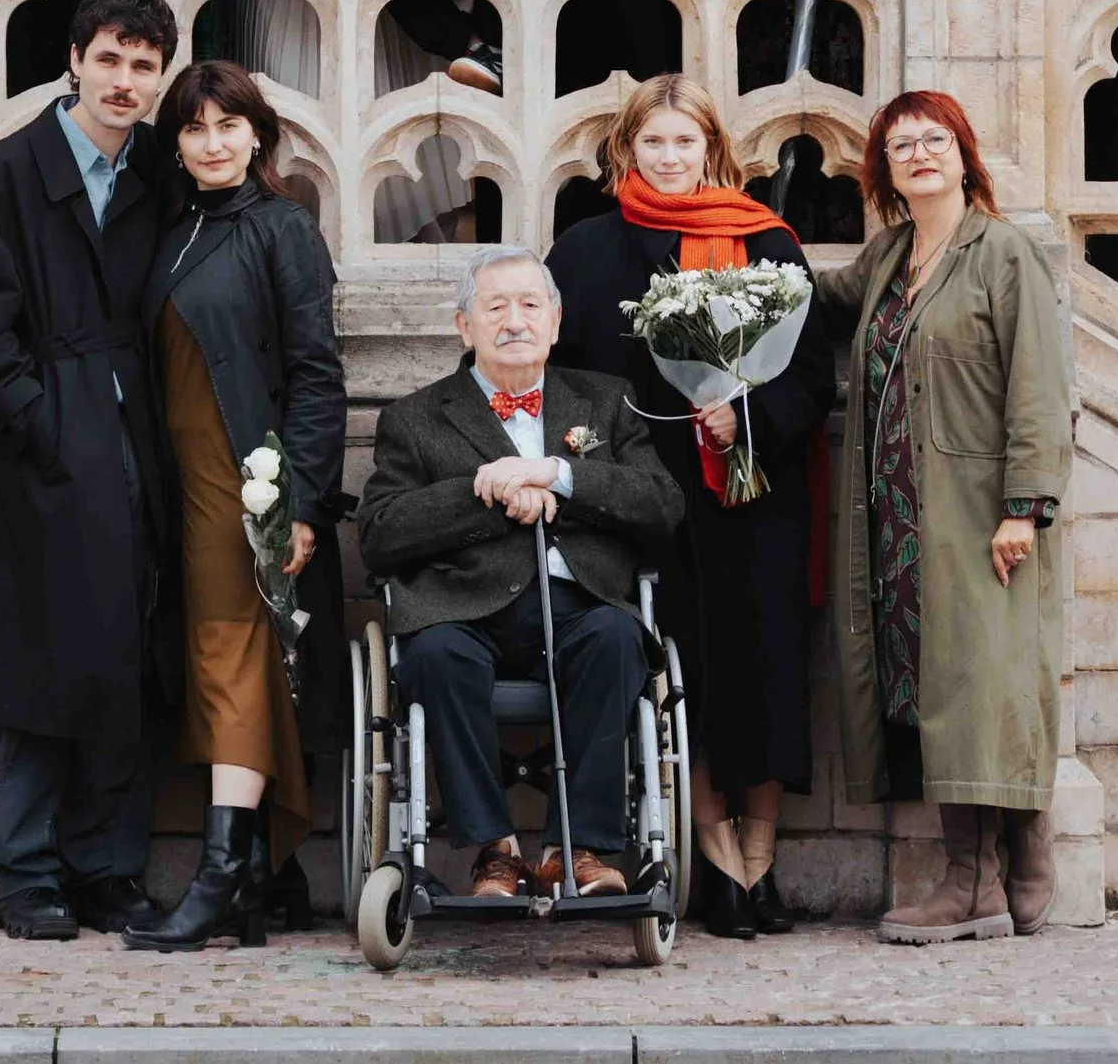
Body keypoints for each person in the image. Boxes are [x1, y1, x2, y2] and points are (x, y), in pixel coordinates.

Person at [546, 79, 836, 939]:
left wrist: (743, 414)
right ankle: (713, 863)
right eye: (653, 143)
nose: (669, 159)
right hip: (646, 501)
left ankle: (762, 863)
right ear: (623, 151)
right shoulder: (584, 251)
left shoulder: (766, 242)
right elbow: (563, 378)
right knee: (688, 675)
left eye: (685, 143)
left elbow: (812, 373)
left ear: (713, 150)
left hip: (754, 492)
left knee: (768, 674)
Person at [0, 0, 182, 941]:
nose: (124, 82)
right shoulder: (8, 173)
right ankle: (27, 873)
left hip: (144, 442)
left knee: (129, 653)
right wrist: (43, 420)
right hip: (51, 445)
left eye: (143, 67)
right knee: (39, 659)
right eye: (109, 60)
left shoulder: (161, 173)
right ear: (75, 60)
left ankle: (108, 867)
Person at [814, 90, 1071, 943]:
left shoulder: (1006, 253)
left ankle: (988, 877)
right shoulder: (889, 254)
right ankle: (985, 881)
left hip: (977, 514)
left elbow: (1040, 387)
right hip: (898, 515)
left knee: (987, 686)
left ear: (963, 154)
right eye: (900, 146)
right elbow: (814, 300)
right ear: (882, 170)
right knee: (938, 693)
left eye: (935, 140)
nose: (919, 154)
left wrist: (1024, 509)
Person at [357, 249, 681, 902]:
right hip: (463, 607)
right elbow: (379, 533)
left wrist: (557, 475)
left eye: (530, 305)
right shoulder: (415, 418)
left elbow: (660, 504)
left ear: (555, 323)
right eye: (495, 306)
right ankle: (494, 852)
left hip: (579, 602)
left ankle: (579, 849)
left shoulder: (605, 401)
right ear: (464, 326)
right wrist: (490, 494)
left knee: (618, 641)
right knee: (436, 656)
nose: (514, 321)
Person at [126, 60, 346, 951]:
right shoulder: (175, 230)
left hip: (243, 482)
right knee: (221, 661)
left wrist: (301, 503)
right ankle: (262, 870)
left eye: (229, 125)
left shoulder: (282, 228)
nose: (212, 144)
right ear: (174, 144)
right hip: (180, 483)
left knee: (231, 660)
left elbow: (317, 373)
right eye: (193, 128)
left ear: (258, 133)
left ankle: (220, 878)